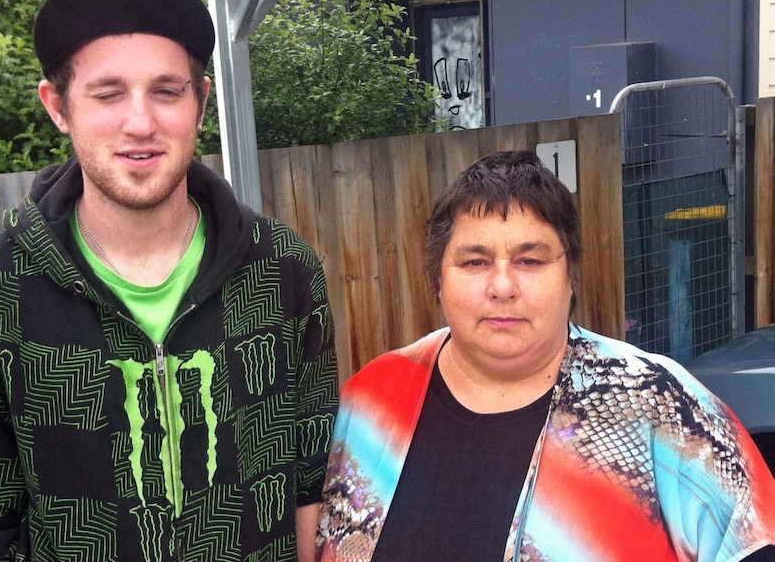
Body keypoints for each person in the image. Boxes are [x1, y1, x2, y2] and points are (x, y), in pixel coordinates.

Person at [0, 0, 338, 560]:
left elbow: (311, 475)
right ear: (58, 107)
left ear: (202, 102)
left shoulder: (283, 270)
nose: (140, 123)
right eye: (108, 94)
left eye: (167, 91)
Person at [315, 150, 775, 562]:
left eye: (530, 261)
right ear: (438, 279)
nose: (502, 287)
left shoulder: (660, 403)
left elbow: (751, 540)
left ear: (569, 275)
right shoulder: (373, 399)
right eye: (475, 262)